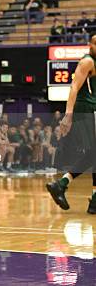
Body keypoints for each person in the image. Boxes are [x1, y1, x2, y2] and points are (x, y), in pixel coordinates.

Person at [46, 34, 96, 215]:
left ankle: (62, 185)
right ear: (90, 45)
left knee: (93, 154)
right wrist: (68, 115)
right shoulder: (87, 62)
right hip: (86, 111)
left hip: (91, 109)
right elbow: (74, 87)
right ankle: (63, 185)